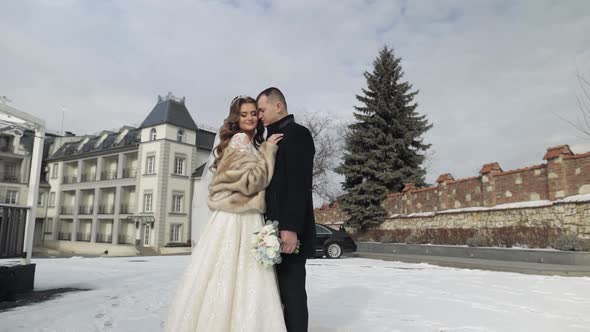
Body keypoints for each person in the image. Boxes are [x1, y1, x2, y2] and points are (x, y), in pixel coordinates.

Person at [165, 95, 286, 332]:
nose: (250, 118)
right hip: (238, 218)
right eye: (244, 114)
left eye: (254, 113)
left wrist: (262, 149)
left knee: (234, 276)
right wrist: (269, 151)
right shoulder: (240, 140)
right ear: (236, 119)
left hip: (242, 216)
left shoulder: (250, 143)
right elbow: (252, 182)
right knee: (235, 275)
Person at [257, 87, 316, 332]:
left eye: (262, 109)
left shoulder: (298, 134)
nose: (259, 115)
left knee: (292, 296)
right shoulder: (270, 138)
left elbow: (299, 184)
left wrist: (290, 228)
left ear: (278, 106)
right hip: (267, 230)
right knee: (274, 296)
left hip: (287, 232)